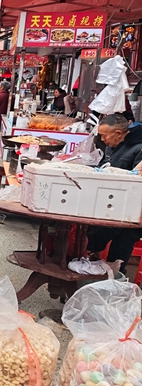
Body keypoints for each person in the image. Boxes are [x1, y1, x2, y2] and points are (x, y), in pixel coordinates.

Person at [86, 114, 142, 274]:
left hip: (133, 210)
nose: (102, 140)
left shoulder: (139, 148)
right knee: (91, 228)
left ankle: (114, 276)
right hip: (110, 202)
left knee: (122, 235)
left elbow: (136, 184)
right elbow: (104, 166)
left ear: (118, 133)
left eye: (104, 135)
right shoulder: (112, 145)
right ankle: (90, 264)